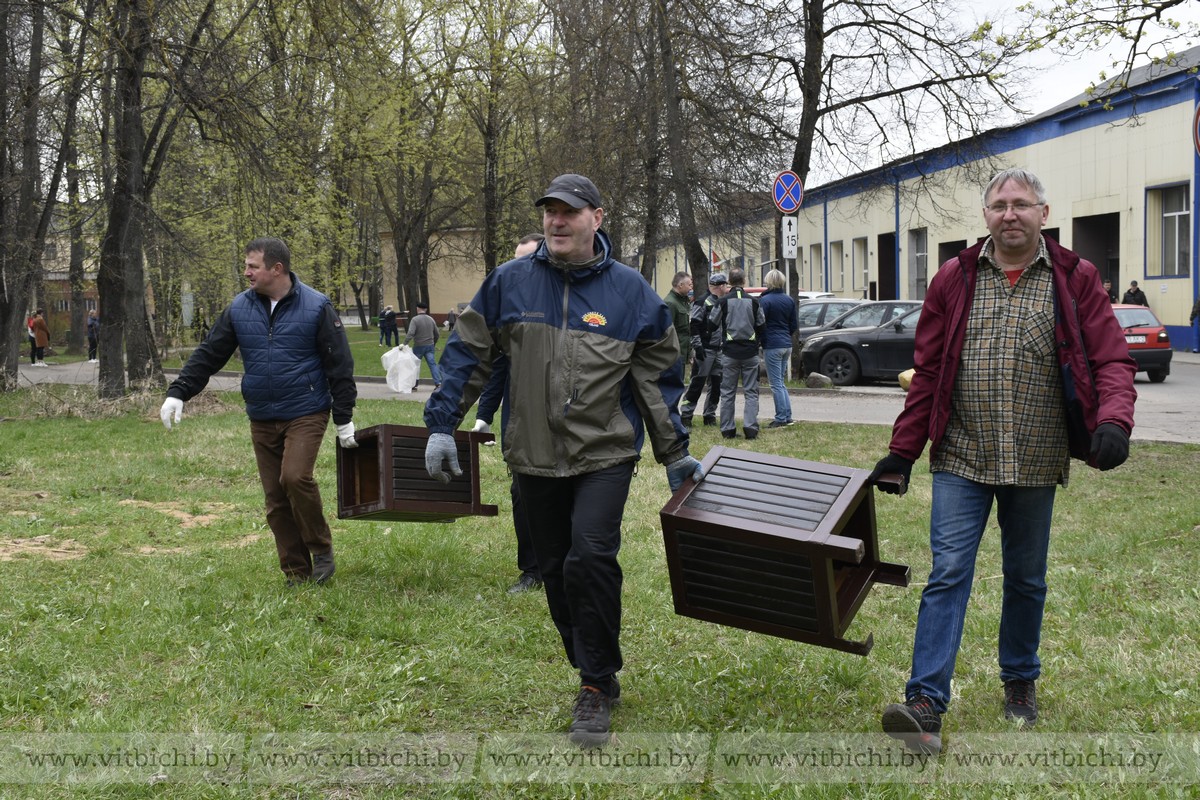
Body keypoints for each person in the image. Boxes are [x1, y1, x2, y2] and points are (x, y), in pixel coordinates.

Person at [423, 173, 702, 747]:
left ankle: (595, 684)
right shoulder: (509, 283)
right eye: (549, 211)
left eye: (568, 212)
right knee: (553, 568)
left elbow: (657, 376)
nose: (556, 221)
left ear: (597, 218)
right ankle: (591, 661)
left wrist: (673, 450)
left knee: (590, 558)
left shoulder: (630, 294)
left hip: (604, 452)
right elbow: (469, 351)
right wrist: (441, 424)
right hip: (532, 452)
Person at [870, 168, 1136, 754]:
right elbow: (931, 371)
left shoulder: (1074, 278)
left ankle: (1019, 680)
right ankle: (924, 703)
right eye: (999, 205)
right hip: (962, 456)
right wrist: (902, 450)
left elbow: (1111, 359)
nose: (1009, 214)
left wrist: (1114, 421)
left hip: (1037, 460)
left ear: (1044, 212)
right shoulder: (955, 278)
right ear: (985, 215)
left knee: (1026, 579)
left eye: (1021, 204)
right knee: (947, 575)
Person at [159, 237, 358, 586]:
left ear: (276, 269)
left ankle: (321, 548)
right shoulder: (239, 308)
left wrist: (344, 418)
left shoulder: (316, 306)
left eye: (253, 266)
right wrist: (179, 392)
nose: (246, 272)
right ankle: (296, 572)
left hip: (306, 411)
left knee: (295, 478)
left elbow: (339, 364)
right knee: (275, 499)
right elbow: (209, 354)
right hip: (262, 414)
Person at [472, 233, 545, 595]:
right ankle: (532, 569)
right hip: (519, 424)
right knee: (522, 494)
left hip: (563, 421)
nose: (519, 269)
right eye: (515, 260)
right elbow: (497, 365)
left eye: (527, 259)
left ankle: (567, 563)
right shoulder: (509, 307)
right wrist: (484, 415)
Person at [715, 267, 766, 440]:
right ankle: (750, 428)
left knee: (728, 391)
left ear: (729, 281)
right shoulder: (754, 302)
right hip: (750, 352)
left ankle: (728, 430)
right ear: (744, 281)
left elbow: (712, 323)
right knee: (751, 391)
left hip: (729, 352)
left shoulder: (722, 301)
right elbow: (762, 325)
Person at [679, 273, 731, 428]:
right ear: (720, 286)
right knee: (697, 383)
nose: (727, 289)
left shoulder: (721, 302)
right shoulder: (702, 301)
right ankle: (686, 415)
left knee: (716, 384)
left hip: (719, 350)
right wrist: (698, 347)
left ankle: (709, 415)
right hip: (705, 349)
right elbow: (694, 325)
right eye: (725, 286)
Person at [759, 269, 798, 428]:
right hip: (786, 344)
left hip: (772, 344)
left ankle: (781, 417)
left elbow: (760, 323)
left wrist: (762, 339)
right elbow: (793, 325)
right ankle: (787, 415)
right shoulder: (789, 300)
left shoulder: (765, 301)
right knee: (780, 383)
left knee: (775, 384)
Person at [663, 271, 694, 411]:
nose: (691, 287)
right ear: (680, 285)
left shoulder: (683, 301)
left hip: (682, 352)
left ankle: (672, 416)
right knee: (672, 389)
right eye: (689, 284)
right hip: (674, 353)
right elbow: (667, 331)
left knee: (678, 387)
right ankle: (670, 417)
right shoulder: (670, 303)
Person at [403, 301, 442, 388]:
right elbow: (437, 334)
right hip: (430, 346)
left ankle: (414, 384)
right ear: (426, 309)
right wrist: (434, 342)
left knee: (415, 365)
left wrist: (404, 344)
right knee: (432, 364)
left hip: (418, 346)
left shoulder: (415, 320)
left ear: (418, 309)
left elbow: (411, 333)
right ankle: (438, 382)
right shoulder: (431, 319)